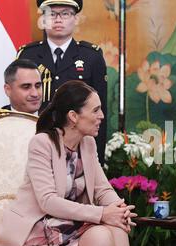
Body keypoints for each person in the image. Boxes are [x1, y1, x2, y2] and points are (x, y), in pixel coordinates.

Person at [0, 80, 141, 246]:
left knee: (117, 228)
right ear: (73, 116)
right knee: (102, 235)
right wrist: (102, 214)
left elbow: (102, 189)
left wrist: (119, 210)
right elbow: (48, 201)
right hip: (39, 225)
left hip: (69, 224)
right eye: (96, 110)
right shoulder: (42, 143)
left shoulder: (88, 144)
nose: (101, 115)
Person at [17, 0, 108, 165]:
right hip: (35, 144)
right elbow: (18, 106)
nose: (58, 20)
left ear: (76, 19)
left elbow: (100, 115)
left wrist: (97, 161)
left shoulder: (91, 57)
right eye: (52, 14)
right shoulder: (27, 55)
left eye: (65, 13)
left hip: (78, 149)